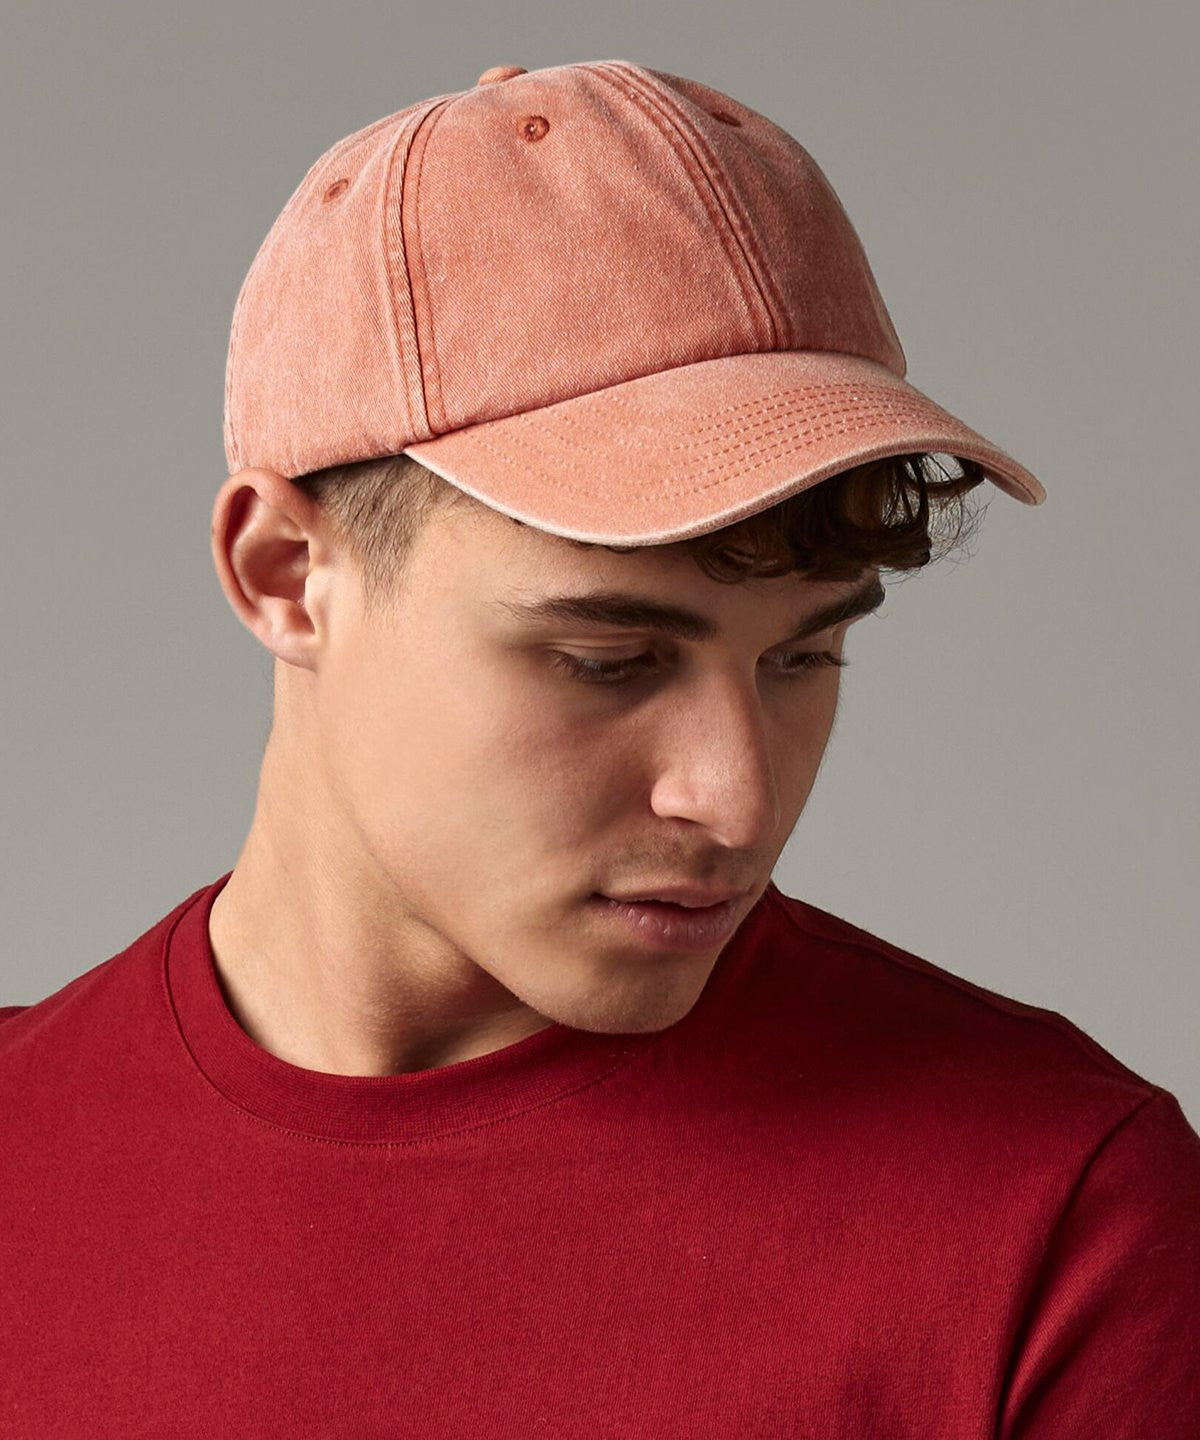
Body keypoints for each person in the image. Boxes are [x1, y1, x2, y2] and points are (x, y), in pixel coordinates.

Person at [1, 58, 1196, 1436]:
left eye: (803, 655)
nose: (735, 799)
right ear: (285, 574)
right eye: (609, 661)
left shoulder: (1058, 1220)